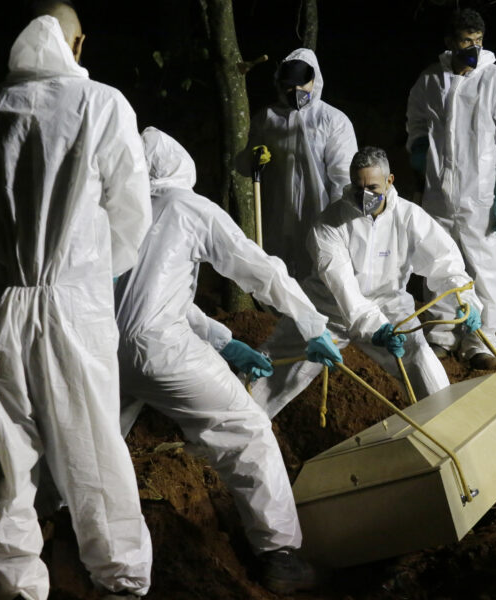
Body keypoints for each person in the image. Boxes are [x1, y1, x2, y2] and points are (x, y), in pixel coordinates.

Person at [0, 4, 154, 599]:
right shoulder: (102, 106)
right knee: (92, 451)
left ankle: (14, 583)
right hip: (72, 305)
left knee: (4, 460)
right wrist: (88, 271)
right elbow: (131, 214)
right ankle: (120, 580)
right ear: (78, 42)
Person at [116, 127, 341, 594]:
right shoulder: (189, 207)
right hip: (163, 351)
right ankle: (280, 554)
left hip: (103, 352)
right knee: (246, 432)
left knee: (98, 445)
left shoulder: (120, 214)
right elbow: (259, 269)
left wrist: (224, 340)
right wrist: (312, 325)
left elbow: (152, 300)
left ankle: (54, 524)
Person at [252, 146, 483, 419]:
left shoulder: (409, 217)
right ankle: (232, 424)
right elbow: (344, 289)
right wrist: (377, 328)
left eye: (373, 187)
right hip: (329, 310)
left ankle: (445, 429)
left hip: (389, 303)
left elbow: (445, 262)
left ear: (389, 181)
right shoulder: (329, 225)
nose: (365, 196)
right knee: (271, 370)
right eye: (359, 187)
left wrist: (464, 298)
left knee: (419, 356)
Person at [406, 8, 496, 369]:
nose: (473, 49)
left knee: (486, 268)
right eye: (466, 42)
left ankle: (481, 339)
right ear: (450, 42)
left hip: (482, 197)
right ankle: (442, 333)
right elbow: (416, 122)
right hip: (438, 196)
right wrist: (418, 151)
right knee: (439, 263)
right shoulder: (430, 81)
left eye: (478, 42)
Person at [242, 48, 357, 279]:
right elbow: (243, 166)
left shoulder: (332, 120)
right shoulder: (267, 119)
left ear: (314, 81)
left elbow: (343, 178)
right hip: (275, 216)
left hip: (318, 215)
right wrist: (252, 157)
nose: (295, 91)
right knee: (277, 279)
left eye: (301, 84)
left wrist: (336, 223)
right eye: (289, 85)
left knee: (320, 278)